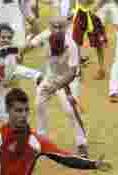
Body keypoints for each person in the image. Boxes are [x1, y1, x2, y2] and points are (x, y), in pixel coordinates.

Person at [28, 15, 88, 156]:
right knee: (39, 105)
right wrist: (19, 53)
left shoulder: (71, 45)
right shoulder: (45, 35)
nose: (57, 29)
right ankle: (42, 139)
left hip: (68, 80)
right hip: (50, 77)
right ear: (49, 27)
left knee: (70, 111)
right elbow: (31, 45)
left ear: (66, 27)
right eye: (54, 26)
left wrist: (57, 86)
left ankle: (82, 144)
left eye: (60, 26)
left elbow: (73, 72)